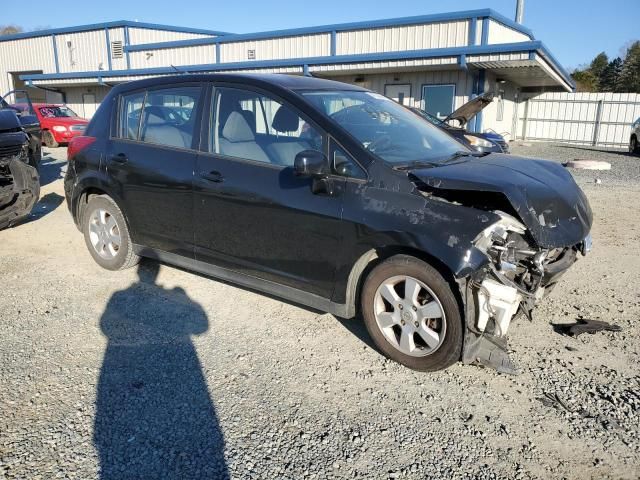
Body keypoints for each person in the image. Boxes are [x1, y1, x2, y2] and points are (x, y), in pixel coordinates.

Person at [94, 261, 228, 479]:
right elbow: (202, 327)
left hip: (116, 364)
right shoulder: (126, 296)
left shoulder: (119, 296)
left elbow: (104, 326)